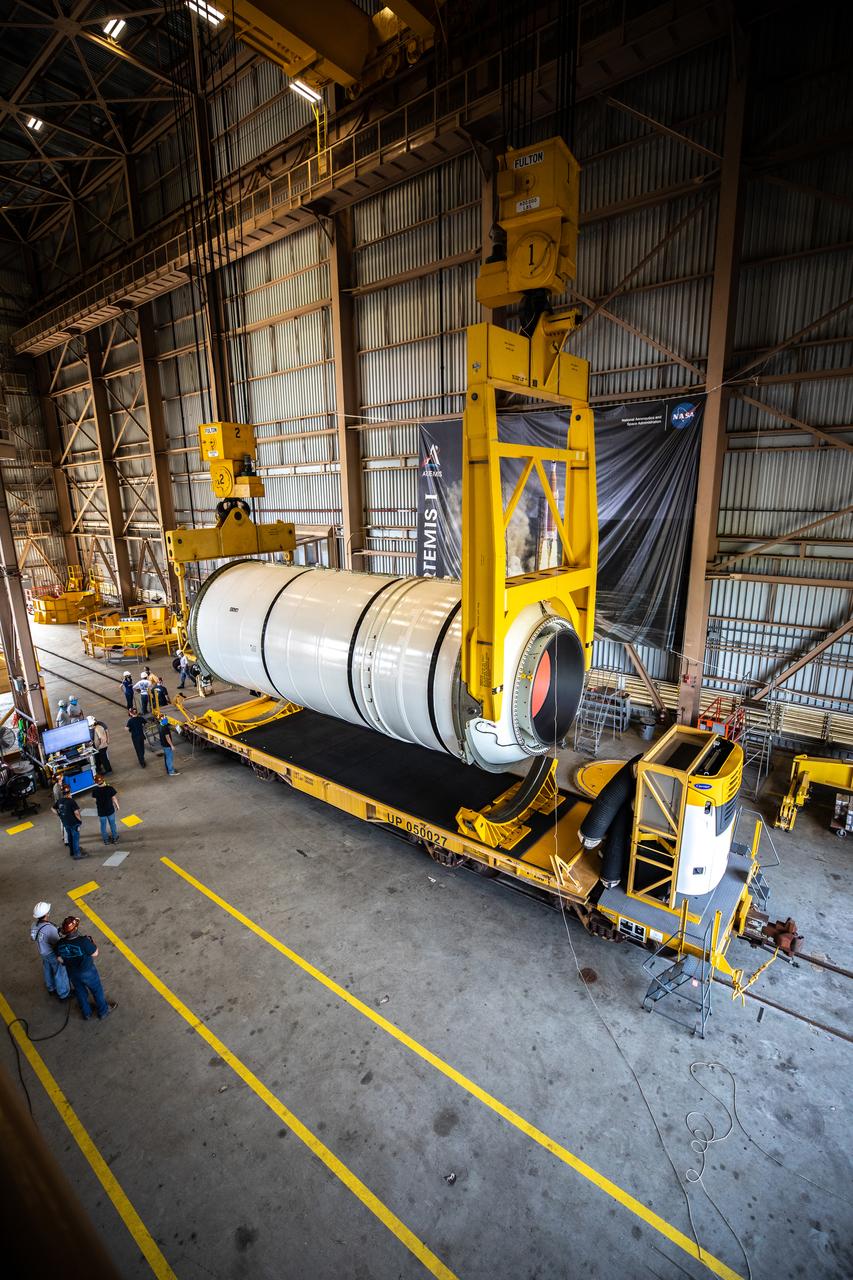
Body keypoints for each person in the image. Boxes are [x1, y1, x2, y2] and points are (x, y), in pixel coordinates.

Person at [55, 917, 116, 1021]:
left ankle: (86, 1013)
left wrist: (68, 962)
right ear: (76, 929)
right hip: (87, 972)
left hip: (72, 973)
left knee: (80, 992)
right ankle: (103, 1011)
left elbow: (59, 958)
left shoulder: (60, 943)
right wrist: (91, 942)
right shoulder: (83, 941)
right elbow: (95, 953)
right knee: (97, 990)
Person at [31, 903, 70, 1000]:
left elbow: (33, 937)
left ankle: (51, 988)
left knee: (47, 969)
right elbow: (58, 943)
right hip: (52, 953)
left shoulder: (34, 925)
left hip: (43, 952)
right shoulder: (50, 929)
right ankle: (63, 993)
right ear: (46, 914)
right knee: (60, 971)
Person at [57, 784, 88, 859]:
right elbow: (76, 813)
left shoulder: (59, 801)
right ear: (69, 793)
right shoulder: (71, 801)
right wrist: (80, 821)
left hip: (66, 823)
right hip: (73, 823)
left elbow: (53, 808)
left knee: (70, 837)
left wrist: (59, 814)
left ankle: (72, 852)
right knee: (75, 838)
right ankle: (77, 854)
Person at [92, 773, 119, 844]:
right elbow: (114, 798)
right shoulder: (109, 788)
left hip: (101, 811)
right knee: (112, 824)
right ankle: (115, 838)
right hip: (110, 810)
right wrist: (117, 806)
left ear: (95, 782)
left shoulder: (95, 790)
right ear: (103, 780)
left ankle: (106, 840)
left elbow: (95, 800)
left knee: (103, 826)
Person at [51, 776, 68, 848]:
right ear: (58, 779)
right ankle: (66, 840)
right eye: (61, 777)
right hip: (62, 807)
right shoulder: (57, 788)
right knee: (65, 824)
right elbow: (59, 799)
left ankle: (63, 837)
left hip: (60, 806)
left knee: (63, 823)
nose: (62, 777)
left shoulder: (58, 786)